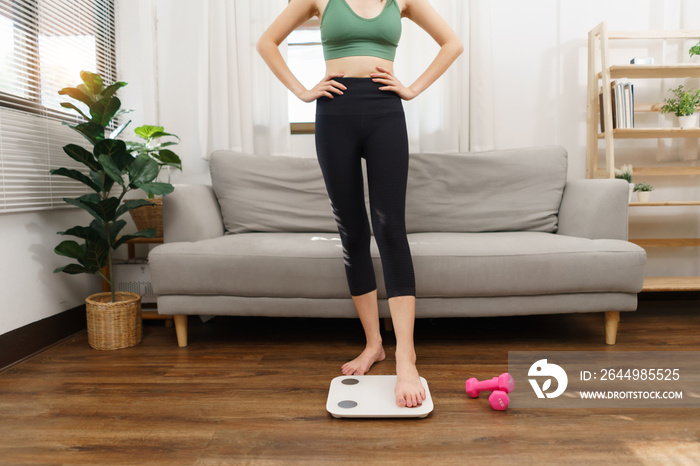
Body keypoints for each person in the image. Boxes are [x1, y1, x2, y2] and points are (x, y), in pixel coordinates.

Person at [257, 0, 463, 408]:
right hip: (335, 111)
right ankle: (374, 345)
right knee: (351, 230)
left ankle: (407, 356)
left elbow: (452, 43)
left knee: (390, 229)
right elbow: (267, 42)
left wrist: (412, 88)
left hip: (386, 109)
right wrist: (302, 90)